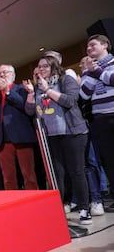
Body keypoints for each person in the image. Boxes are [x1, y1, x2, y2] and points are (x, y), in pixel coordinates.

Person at [24, 55, 92, 225]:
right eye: (39, 67)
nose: (41, 69)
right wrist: (32, 94)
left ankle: (85, 208)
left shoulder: (65, 79)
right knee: (58, 174)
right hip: (52, 136)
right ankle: (59, 208)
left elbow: (70, 101)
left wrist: (48, 90)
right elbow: (31, 111)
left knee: (76, 171)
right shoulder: (39, 86)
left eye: (45, 66)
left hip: (73, 132)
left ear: (54, 66)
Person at [0, 64, 38, 190]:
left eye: (5, 72)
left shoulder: (22, 89)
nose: (2, 75)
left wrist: (8, 91)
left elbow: (25, 106)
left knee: (28, 174)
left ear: (13, 75)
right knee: (8, 176)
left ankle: (33, 201)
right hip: (2, 139)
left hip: (21, 136)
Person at [80, 34, 114, 213]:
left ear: (105, 45)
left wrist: (98, 72)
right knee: (109, 159)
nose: (89, 48)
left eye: (92, 45)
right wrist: (93, 73)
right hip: (100, 119)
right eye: (87, 47)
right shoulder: (87, 70)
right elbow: (85, 93)